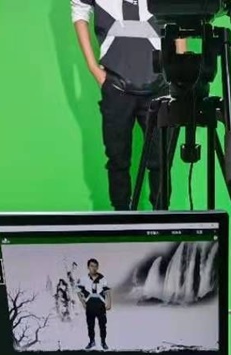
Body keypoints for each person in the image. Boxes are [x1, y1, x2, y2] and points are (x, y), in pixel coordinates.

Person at [71, 0, 175, 210]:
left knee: (162, 160)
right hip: (116, 82)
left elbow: (178, 18)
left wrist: (177, 74)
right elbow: (79, 10)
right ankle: (121, 219)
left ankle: (162, 219)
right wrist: (93, 67)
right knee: (117, 159)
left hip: (159, 82)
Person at [78, 257, 111, 350]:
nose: (94, 268)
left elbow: (107, 291)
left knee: (102, 325)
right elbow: (78, 291)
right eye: (92, 266)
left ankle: (103, 342)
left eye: (95, 266)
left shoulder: (103, 279)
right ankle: (92, 341)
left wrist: (109, 303)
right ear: (88, 267)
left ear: (98, 267)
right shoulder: (83, 279)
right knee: (90, 325)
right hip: (90, 305)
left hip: (100, 305)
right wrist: (83, 302)